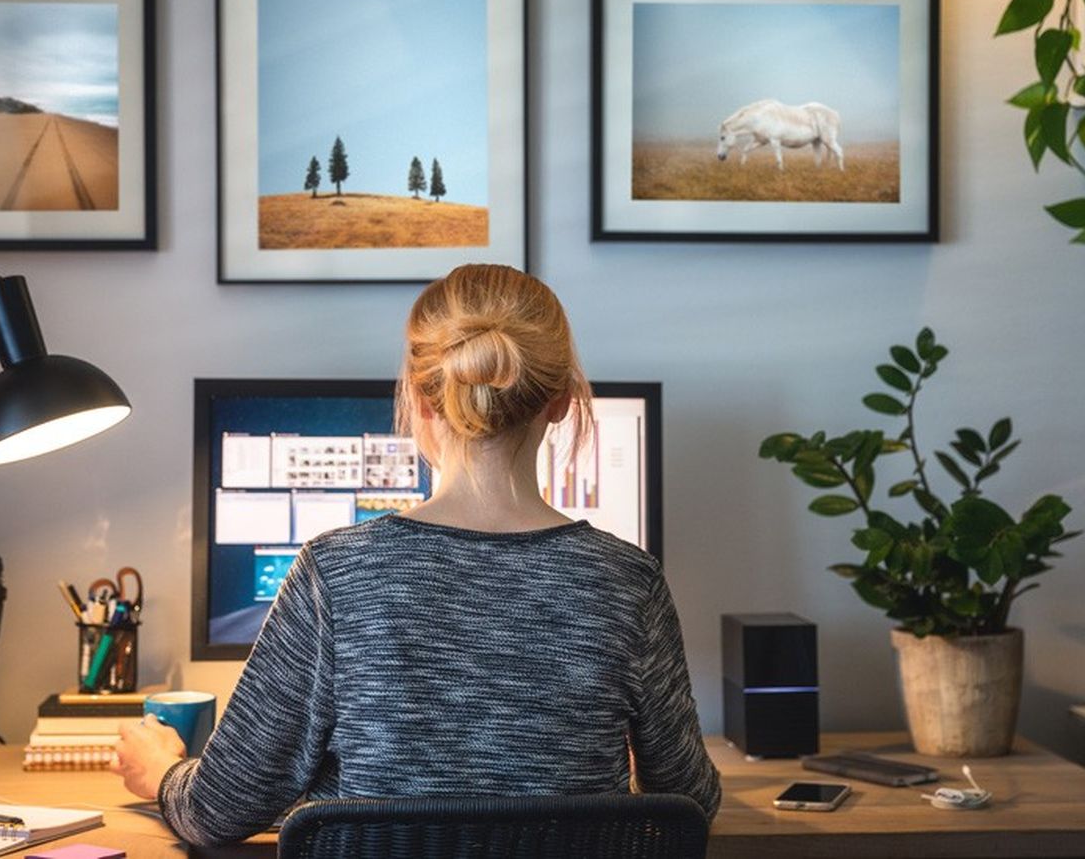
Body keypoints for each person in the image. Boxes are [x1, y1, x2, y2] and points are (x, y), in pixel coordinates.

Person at [110, 264, 722, 844]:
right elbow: (689, 801)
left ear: (422, 401)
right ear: (561, 402)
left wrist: (162, 771)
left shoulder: (335, 572)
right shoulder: (627, 581)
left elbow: (220, 810)